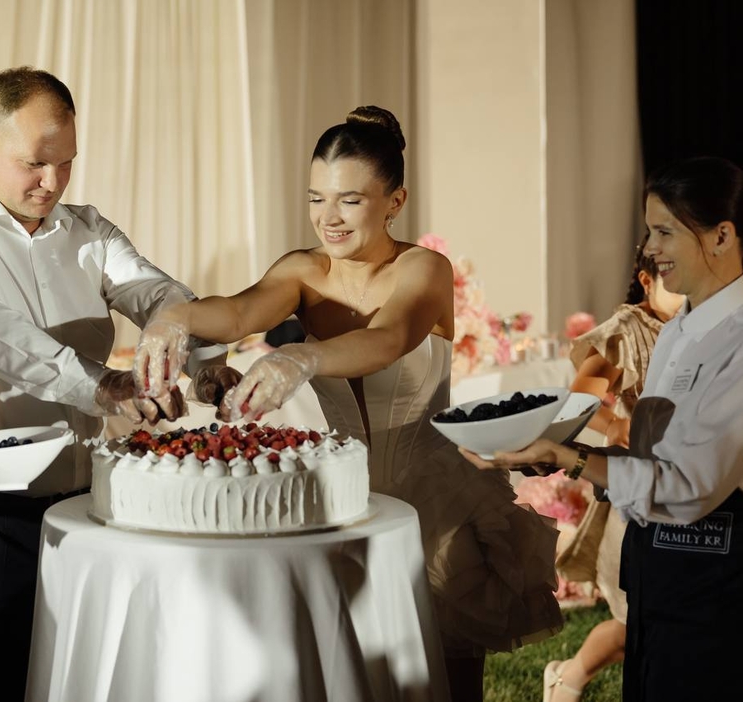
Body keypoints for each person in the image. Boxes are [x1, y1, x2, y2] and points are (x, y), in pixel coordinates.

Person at [131, 105, 564, 702]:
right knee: (340, 673)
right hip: (339, 495)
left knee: (444, 678)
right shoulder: (303, 271)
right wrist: (174, 317)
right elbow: (235, 313)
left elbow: (387, 339)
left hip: (433, 499)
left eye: (349, 201)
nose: (328, 218)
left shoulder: (424, 269)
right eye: (316, 198)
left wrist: (301, 357)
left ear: (395, 201)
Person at [0, 66, 235, 702]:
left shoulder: (89, 232)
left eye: (66, 162)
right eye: (34, 163)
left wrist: (204, 358)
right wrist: (100, 386)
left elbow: (158, 294)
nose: (52, 182)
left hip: (86, 510)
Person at [462, 155, 743, 702]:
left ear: (722, 235)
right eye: (649, 233)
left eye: (664, 231)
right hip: (650, 548)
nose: (650, 248)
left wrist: (572, 453)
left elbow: (690, 485)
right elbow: (588, 407)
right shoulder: (669, 330)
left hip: (713, 575)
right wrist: (554, 446)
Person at [544, 236, 684, 700]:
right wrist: (617, 425)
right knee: (633, 620)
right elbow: (580, 399)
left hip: (683, 487)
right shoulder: (629, 330)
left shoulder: (700, 325)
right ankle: (568, 677)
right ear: (647, 280)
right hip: (636, 493)